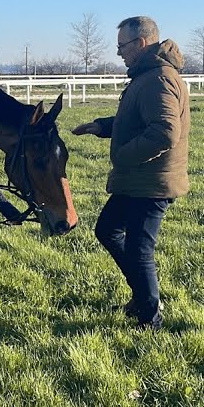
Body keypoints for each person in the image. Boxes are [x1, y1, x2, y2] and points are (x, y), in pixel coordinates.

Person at [72, 16, 190, 330]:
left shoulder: (158, 78)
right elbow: (138, 119)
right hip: (138, 179)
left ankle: (150, 318)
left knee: (139, 250)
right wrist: (103, 127)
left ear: (140, 43)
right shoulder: (146, 75)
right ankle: (142, 295)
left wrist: (124, 156)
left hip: (151, 181)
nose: (119, 53)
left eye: (122, 46)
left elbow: (165, 132)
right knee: (107, 230)